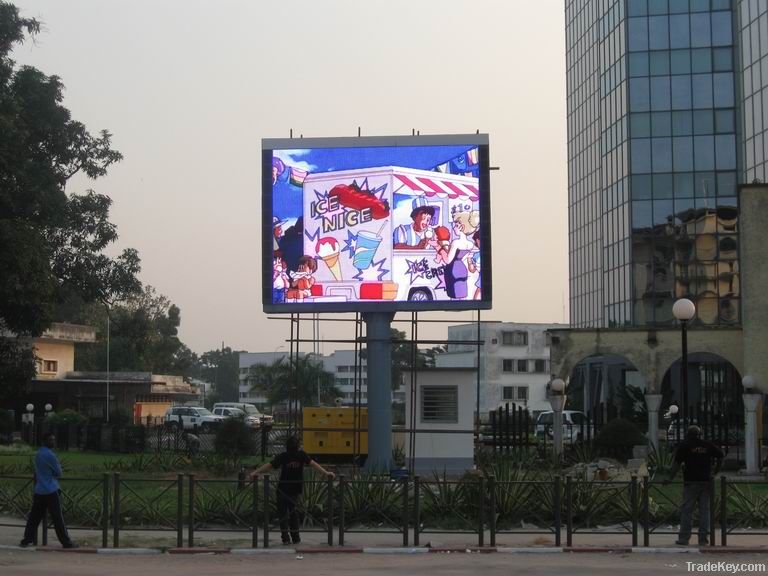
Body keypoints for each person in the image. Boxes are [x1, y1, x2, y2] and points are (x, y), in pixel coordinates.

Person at [250, 435, 335, 545]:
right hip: (295, 489)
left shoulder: (283, 456)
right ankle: (296, 538)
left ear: (287, 446)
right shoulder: (301, 455)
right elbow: (314, 464)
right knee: (293, 513)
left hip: (282, 489)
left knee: (283, 515)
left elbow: (269, 465)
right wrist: (326, 473)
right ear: (298, 446)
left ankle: (285, 538)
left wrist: (256, 472)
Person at [663, 425, 724, 546]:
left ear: (687, 434)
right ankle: (703, 539)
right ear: (699, 434)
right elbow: (721, 455)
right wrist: (715, 471)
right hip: (706, 481)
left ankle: (684, 538)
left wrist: (670, 478)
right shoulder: (707, 445)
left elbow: (676, 464)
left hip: (690, 482)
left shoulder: (685, 445)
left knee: (687, 511)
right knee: (705, 511)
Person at [20, 432, 77, 548]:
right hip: (51, 490)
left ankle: (27, 540)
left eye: (53, 440)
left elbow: (37, 471)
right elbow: (59, 473)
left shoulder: (39, 453)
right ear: (45, 441)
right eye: (51, 440)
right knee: (58, 517)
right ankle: (66, 542)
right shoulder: (51, 455)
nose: (53, 442)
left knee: (34, 517)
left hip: (39, 490)